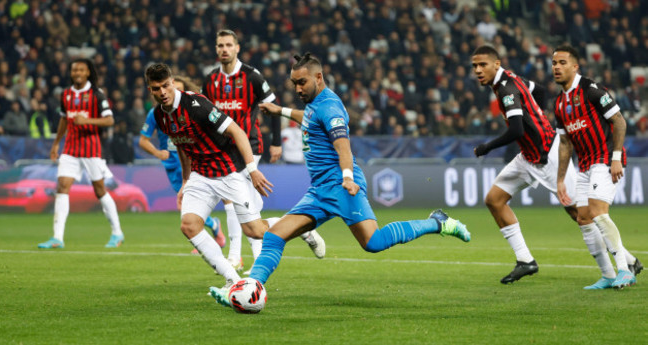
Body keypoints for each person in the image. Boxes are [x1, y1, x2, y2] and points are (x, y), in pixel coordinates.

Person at [208, 53, 470, 309]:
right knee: (275, 236)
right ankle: (246, 289)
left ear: (318, 78)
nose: (297, 88)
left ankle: (437, 222)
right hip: (320, 190)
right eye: (294, 83)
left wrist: (347, 177)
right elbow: (308, 118)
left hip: (342, 186)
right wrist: (281, 111)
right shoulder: (315, 104)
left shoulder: (330, 107)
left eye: (302, 82)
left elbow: (343, 146)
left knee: (373, 243)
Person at [471, 45, 641, 287]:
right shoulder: (514, 80)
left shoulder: (508, 88)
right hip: (528, 156)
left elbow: (517, 129)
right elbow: (537, 91)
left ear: (496, 64)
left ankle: (627, 261)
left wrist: (486, 148)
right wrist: (537, 115)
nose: (478, 70)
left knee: (581, 214)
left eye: (482, 65)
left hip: (547, 154)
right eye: (475, 66)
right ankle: (525, 260)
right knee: (494, 200)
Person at [145, 63, 318, 288]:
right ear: (150, 90)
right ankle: (233, 281)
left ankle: (303, 228)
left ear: (172, 83)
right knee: (188, 225)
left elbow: (236, 130)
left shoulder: (196, 104)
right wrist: (186, 181)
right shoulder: (160, 115)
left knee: (255, 231)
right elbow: (181, 145)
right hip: (200, 175)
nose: (163, 92)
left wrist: (252, 169)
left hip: (228, 171)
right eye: (157, 88)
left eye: (166, 86)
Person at [202, 29, 325, 273]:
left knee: (233, 197)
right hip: (224, 150)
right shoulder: (211, 80)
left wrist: (276, 142)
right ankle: (301, 231)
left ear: (237, 48)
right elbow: (205, 117)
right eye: (220, 45)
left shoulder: (252, 77)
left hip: (250, 144)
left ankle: (236, 257)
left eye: (228, 45)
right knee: (247, 205)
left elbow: (272, 106)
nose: (224, 49)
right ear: (216, 49)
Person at [552, 44, 642, 289]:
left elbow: (619, 121)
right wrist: (560, 179)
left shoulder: (591, 90)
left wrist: (615, 157)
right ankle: (609, 274)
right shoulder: (559, 103)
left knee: (598, 213)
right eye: (554, 63)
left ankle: (625, 270)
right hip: (584, 165)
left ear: (575, 66)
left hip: (605, 158)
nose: (556, 67)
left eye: (562, 62)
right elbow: (564, 143)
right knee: (583, 218)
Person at [38, 58, 125, 249]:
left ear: (87, 73)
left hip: (91, 148)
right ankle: (57, 238)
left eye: (81, 70)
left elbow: (109, 120)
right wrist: (56, 143)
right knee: (62, 186)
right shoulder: (66, 94)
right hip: (70, 148)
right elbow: (64, 120)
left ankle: (117, 233)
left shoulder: (97, 94)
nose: (77, 73)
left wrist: (87, 121)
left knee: (99, 190)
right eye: (74, 70)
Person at [139, 75, 226, 250]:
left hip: (192, 161)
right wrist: (157, 152)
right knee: (184, 203)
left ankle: (201, 237)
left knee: (189, 203)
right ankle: (212, 225)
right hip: (172, 164)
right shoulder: (156, 113)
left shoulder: (191, 109)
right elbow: (143, 140)